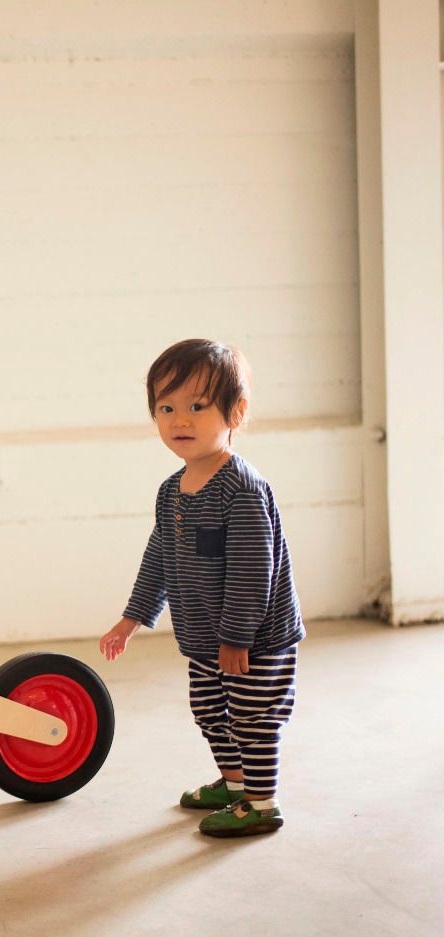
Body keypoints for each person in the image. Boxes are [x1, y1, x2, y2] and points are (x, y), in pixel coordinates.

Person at [98, 339, 304, 837]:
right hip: (205, 637)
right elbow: (159, 559)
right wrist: (133, 618)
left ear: (236, 411)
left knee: (252, 717)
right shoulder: (172, 490)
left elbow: (255, 571)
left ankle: (261, 803)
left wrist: (236, 637)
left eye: (197, 406)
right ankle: (235, 787)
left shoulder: (243, 489)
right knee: (211, 711)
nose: (179, 421)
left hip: (254, 640)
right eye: (166, 408)